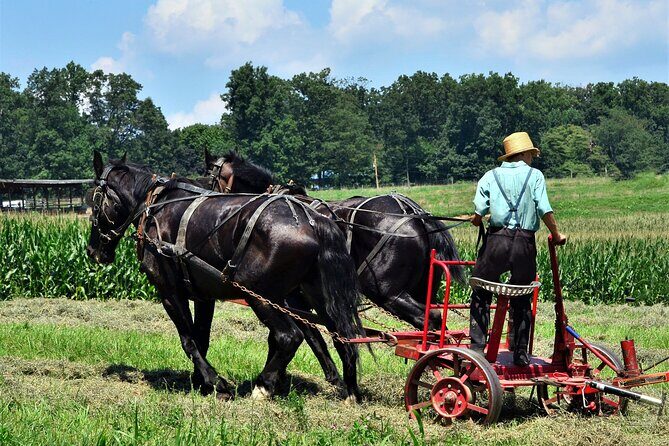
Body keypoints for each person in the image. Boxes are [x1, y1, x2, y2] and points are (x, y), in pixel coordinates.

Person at [470, 131, 567, 366]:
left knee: (481, 292)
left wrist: (476, 218)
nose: (532, 158)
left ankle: (477, 347)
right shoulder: (535, 176)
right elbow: (544, 208)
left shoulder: (490, 176)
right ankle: (521, 353)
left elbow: (478, 213)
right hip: (524, 243)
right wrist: (556, 234)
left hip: (496, 241)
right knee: (522, 298)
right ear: (522, 154)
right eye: (531, 154)